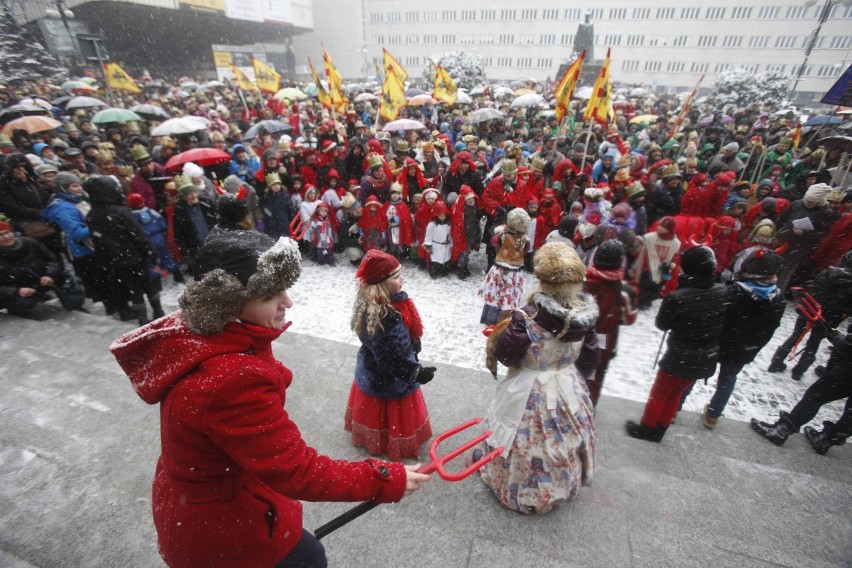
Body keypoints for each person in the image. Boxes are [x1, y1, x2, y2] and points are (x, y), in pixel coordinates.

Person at [110, 234, 430, 568]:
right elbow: (296, 470)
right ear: (226, 304)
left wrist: (269, 373)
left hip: (196, 503)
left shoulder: (214, 331)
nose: (287, 302)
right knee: (310, 558)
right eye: (269, 295)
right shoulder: (230, 381)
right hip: (225, 528)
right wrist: (384, 479)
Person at [479, 242, 599, 514]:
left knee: (522, 438)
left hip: (528, 388)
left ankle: (518, 488)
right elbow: (591, 357)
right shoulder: (584, 317)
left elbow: (507, 356)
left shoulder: (526, 318)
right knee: (563, 438)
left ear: (542, 280)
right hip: (568, 385)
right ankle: (558, 485)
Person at [625, 246, 731, 443]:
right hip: (704, 356)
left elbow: (662, 324)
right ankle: (660, 429)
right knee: (676, 393)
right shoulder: (723, 292)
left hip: (679, 355)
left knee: (660, 393)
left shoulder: (679, 297)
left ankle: (647, 428)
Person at [345, 249, 434, 461]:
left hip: (370, 367)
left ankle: (379, 435)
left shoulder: (381, 303)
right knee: (391, 410)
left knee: (378, 409)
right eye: (396, 277)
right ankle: (388, 440)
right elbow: (388, 359)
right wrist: (415, 372)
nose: (402, 279)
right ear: (381, 282)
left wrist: (413, 342)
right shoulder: (386, 314)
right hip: (388, 377)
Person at [697, 250, 786, 429]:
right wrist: (752, 348)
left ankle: (675, 408)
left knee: (694, 374)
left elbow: (716, 317)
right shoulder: (778, 300)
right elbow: (769, 330)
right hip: (744, 350)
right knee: (728, 379)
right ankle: (713, 415)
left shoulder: (732, 292)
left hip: (717, 344)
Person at [751, 324, 852, 456]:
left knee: (815, 396)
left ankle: (781, 430)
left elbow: (848, 347)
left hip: (847, 375)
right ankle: (826, 439)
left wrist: (835, 336)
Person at [767, 251, 852, 381]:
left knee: (795, 335)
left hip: (810, 307)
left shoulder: (828, 272)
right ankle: (799, 371)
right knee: (814, 343)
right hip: (827, 317)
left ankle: (776, 363)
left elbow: (814, 286)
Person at [582, 240, 638, 406]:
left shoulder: (582, 283)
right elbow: (629, 319)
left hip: (578, 338)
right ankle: (588, 407)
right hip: (604, 343)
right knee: (595, 377)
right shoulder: (624, 290)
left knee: (572, 373)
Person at [0, 220, 84, 317]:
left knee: (65, 279)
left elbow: (53, 260)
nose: (6, 237)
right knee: (21, 303)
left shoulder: (30, 242)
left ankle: (74, 306)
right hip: (17, 287)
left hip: (40, 280)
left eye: (7, 232)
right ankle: (21, 315)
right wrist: (16, 291)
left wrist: (50, 275)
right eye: (1, 235)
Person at [478, 208, 531, 325]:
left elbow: (494, 242)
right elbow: (526, 251)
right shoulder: (523, 239)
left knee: (497, 293)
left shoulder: (503, 236)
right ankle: (503, 319)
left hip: (501, 268)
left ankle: (491, 318)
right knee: (508, 294)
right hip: (513, 271)